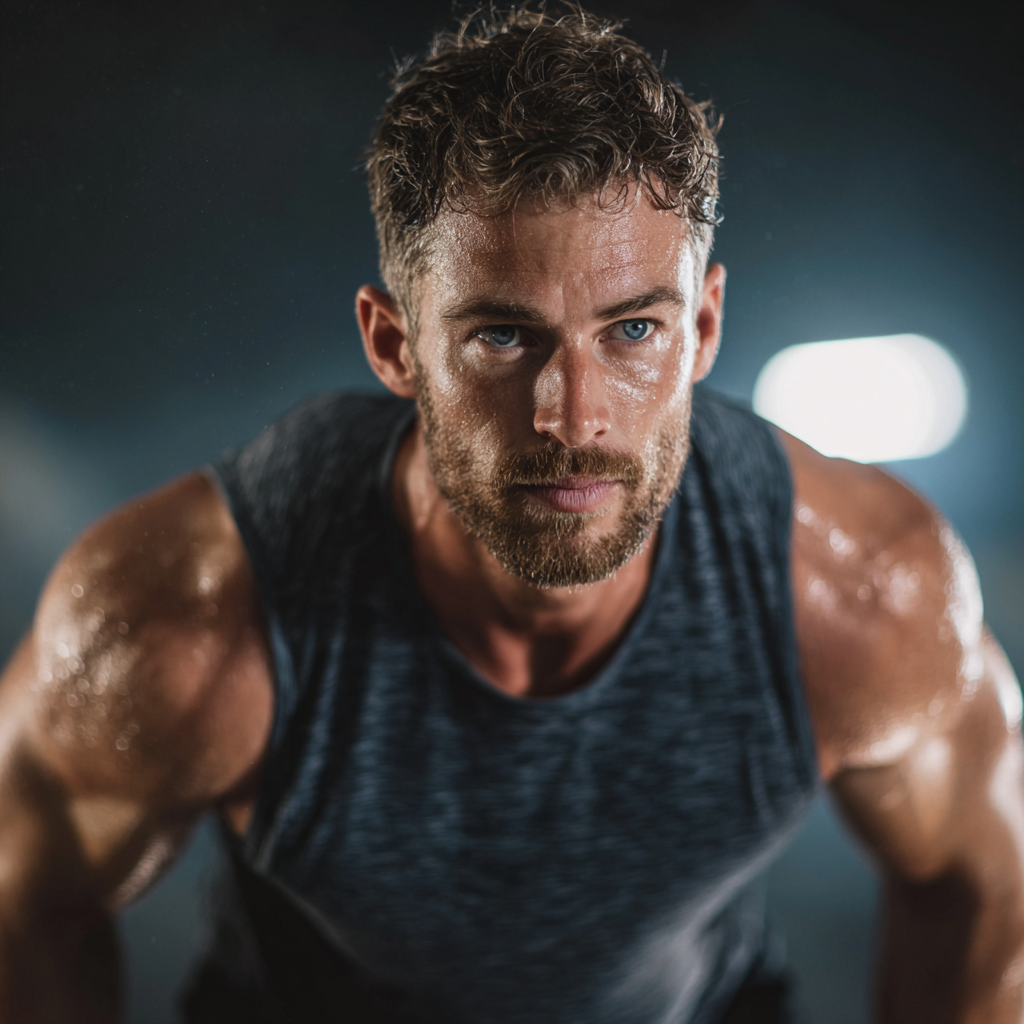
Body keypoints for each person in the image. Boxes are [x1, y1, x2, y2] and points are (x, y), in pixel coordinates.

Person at [2, 7, 1022, 1023]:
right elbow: (22, 903)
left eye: (631, 329)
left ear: (702, 327)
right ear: (395, 344)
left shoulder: (859, 593)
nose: (574, 418)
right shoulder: (195, 622)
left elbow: (988, 895)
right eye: (501, 337)